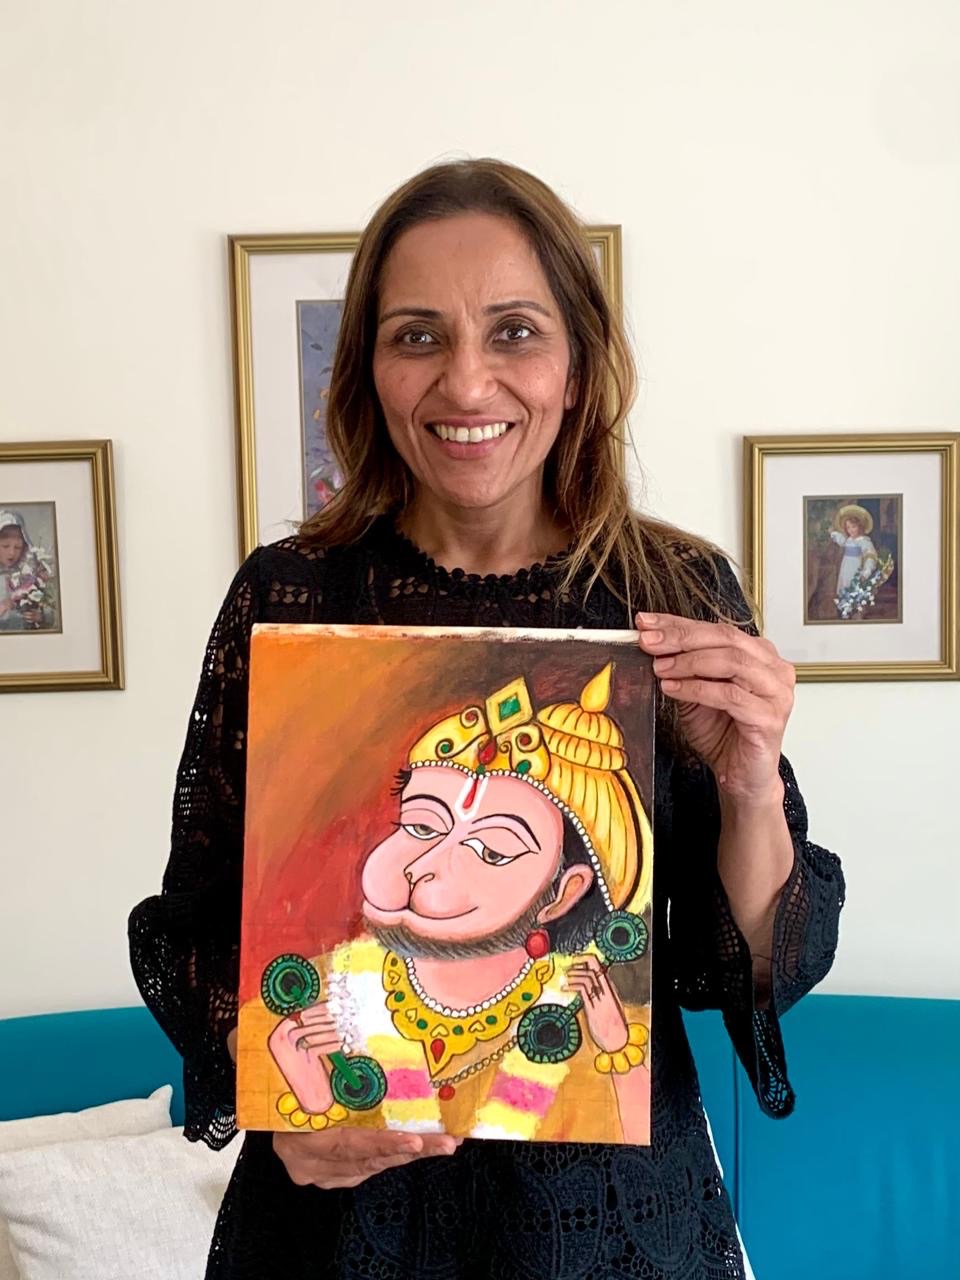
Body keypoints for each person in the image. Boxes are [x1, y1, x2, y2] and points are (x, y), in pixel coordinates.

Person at [129, 158, 845, 1280]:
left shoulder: (673, 589)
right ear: (368, 370)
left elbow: (748, 964)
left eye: (514, 331)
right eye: (418, 336)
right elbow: (202, 921)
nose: (466, 382)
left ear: (578, 365)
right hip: (339, 1229)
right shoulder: (289, 594)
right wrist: (277, 1093)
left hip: (603, 1227)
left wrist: (752, 783)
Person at [258, 661, 653, 1147]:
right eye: (421, 825)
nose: (422, 865)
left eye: (491, 850)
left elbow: (636, 1141)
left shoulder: (602, 1027)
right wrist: (315, 1106)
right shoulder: (312, 1001)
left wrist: (619, 1059)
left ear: (564, 892)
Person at [0, 509, 55, 632]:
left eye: (18, 547)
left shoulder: (31, 575)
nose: (12, 553)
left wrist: (41, 616)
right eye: (5, 546)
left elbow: (52, 612)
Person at [829, 505, 878, 599]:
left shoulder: (864, 541)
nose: (850, 530)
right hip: (845, 567)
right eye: (848, 527)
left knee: (854, 589)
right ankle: (844, 603)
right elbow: (842, 541)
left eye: (853, 527)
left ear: (860, 526)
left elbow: (870, 556)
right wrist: (833, 533)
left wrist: (867, 570)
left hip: (856, 567)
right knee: (845, 586)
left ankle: (853, 604)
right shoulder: (849, 540)